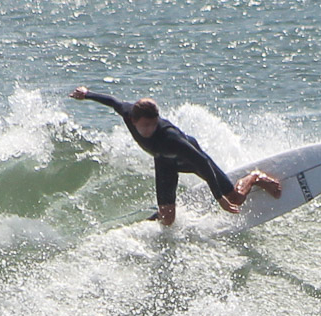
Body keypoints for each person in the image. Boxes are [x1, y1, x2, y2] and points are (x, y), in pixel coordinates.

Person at [70, 86, 280, 225]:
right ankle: (154, 219)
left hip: (189, 157)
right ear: (134, 120)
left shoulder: (171, 138)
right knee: (168, 218)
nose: (151, 129)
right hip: (164, 161)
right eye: (145, 125)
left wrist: (220, 199)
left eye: (154, 124)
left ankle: (255, 177)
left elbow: (203, 162)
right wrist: (87, 94)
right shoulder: (128, 112)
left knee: (235, 198)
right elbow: (113, 101)